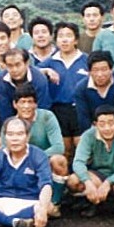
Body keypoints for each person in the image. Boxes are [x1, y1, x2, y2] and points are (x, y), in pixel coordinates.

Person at [69, 105, 114, 219]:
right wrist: (87, 182)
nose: (107, 128)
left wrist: (109, 182)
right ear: (95, 124)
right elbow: (78, 162)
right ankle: (91, 202)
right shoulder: (88, 136)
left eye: (111, 123)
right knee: (73, 181)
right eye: (102, 124)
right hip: (98, 175)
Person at [6, 84, 67, 216]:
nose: (26, 106)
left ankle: (55, 203)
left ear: (36, 104)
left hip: (45, 161)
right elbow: (4, 151)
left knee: (59, 160)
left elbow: (59, 147)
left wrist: (35, 158)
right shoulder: (10, 123)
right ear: (15, 104)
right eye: (22, 102)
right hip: (20, 164)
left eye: (30, 102)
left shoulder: (47, 117)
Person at [39, 21, 87, 161]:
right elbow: (31, 71)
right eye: (60, 36)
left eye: (68, 36)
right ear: (56, 40)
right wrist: (46, 70)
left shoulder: (86, 60)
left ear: (76, 40)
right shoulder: (50, 61)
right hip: (58, 110)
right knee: (64, 150)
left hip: (80, 109)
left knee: (82, 149)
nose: (64, 40)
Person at [73, 50, 114, 133]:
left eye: (104, 69)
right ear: (89, 72)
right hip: (95, 128)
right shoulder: (81, 88)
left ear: (111, 69)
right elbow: (83, 117)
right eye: (95, 70)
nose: (100, 74)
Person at [0, 48, 53, 122]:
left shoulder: (39, 79)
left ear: (27, 63)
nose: (14, 70)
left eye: (18, 65)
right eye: (10, 66)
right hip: (14, 118)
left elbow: (43, 109)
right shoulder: (2, 80)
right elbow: (5, 110)